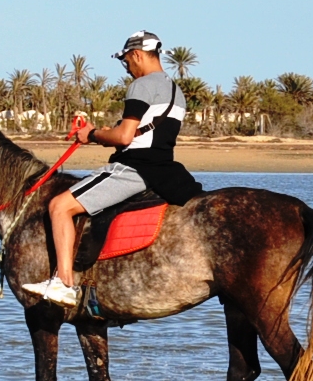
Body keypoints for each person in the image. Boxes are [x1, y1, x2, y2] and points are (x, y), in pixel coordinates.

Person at [24, 31, 189, 308]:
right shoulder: (177, 92)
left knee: (59, 206)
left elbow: (125, 137)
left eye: (126, 62)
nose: (127, 69)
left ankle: (64, 284)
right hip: (168, 170)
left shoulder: (142, 86)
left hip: (136, 168)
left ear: (137, 55)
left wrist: (92, 134)